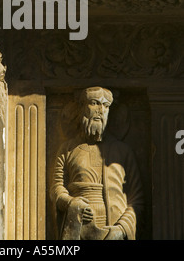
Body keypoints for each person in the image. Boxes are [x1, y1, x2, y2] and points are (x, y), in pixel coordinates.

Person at [50, 86, 144, 240]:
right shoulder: (67, 149)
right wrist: (70, 203)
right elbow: (56, 188)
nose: (100, 110)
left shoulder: (123, 151)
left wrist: (121, 229)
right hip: (78, 229)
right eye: (94, 103)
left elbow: (136, 199)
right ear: (81, 107)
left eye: (105, 106)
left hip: (113, 230)